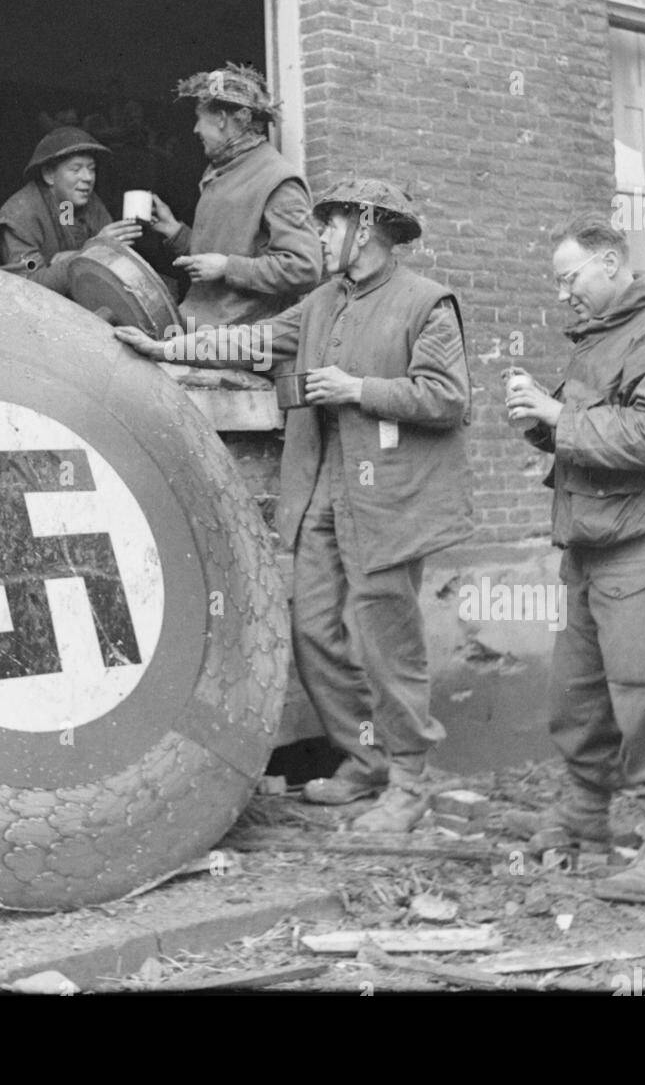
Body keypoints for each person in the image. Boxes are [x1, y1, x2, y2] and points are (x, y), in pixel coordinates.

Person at [117, 177, 473, 833]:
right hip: (321, 491)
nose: (320, 240)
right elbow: (252, 343)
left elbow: (448, 398)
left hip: (387, 499)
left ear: (365, 229)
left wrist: (359, 388)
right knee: (313, 630)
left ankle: (411, 779)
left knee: (384, 639)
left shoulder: (426, 304)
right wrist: (170, 350)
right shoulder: (318, 304)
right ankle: (366, 755)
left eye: (330, 227)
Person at [505, 213, 645, 901]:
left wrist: (558, 417)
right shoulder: (604, 340)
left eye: (571, 278)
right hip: (595, 537)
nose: (562, 293)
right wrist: (543, 424)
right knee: (580, 690)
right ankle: (586, 813)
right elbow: (592, 434)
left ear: (612, 264)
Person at [148, 63, 321, 328]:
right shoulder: (223, 170)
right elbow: (223, 252)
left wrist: (228, 267)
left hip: (239, 339)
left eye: (199, 118)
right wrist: (174, 231)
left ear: (221, 119)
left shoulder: (276, 179)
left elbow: (305, 267)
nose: (195, 129)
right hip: (198, 328)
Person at [0, 127, 142, 294]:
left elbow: (70, 237)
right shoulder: (21, 215)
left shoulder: (71, 202)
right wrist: (94, 252)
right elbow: (29, 281)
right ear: (49, 175)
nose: (88, 178)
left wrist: (71, 255)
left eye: (92, 169)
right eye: (76, 169)